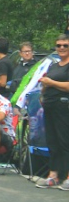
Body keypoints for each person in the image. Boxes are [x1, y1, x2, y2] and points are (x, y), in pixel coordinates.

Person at [34, 35, 69, 189]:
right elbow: (45, 83)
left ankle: (67, 175)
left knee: (64, 141)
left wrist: (51, 83)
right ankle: (53, 174)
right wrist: (43, 91)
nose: (61, 48)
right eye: (58, 45)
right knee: (52, 141)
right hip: (49, 106)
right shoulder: (54, 66)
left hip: (64, 106)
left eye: (65, 45)